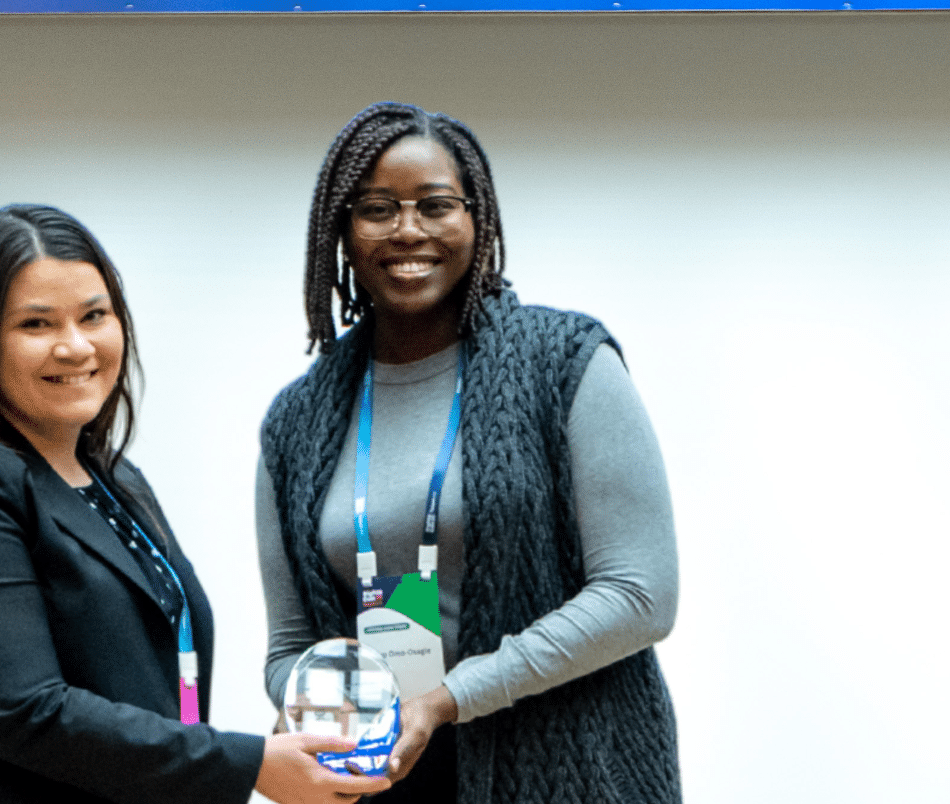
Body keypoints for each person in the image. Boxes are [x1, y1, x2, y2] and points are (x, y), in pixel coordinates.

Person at [0, 204, 390, 804]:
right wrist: (249, 765)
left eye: (95, 316)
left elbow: (147, 687)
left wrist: (262, 754)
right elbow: (26, 711)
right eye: (36, 325)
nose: (75, 346)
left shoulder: (116, 478)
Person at [257, 104, 681, 804]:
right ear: (342, 228)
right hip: (380, 782)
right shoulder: (296, 421)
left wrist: (448, 699)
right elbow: (290, 643)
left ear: (477, 218)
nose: (408, 229)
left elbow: (640, 596)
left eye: (435, 205)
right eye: (377, 209)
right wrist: (318, 704)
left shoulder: (565, 363)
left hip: (569, 773)